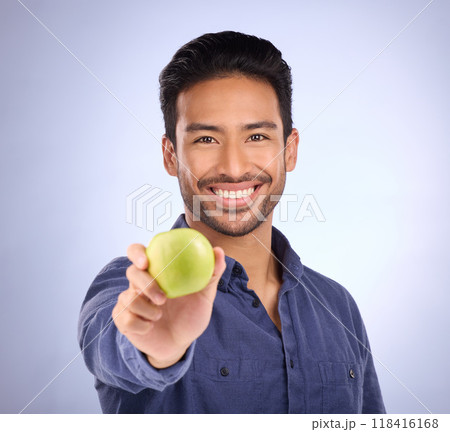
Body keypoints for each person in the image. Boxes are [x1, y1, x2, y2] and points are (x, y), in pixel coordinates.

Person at [78, 31, 386, 414]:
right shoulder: (134, 287)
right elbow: (112, 345)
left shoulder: (337, 306)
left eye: (256, 136)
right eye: (206, 139)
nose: (234, 167)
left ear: (289, 150)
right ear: (171, 156)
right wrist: (156, 350)